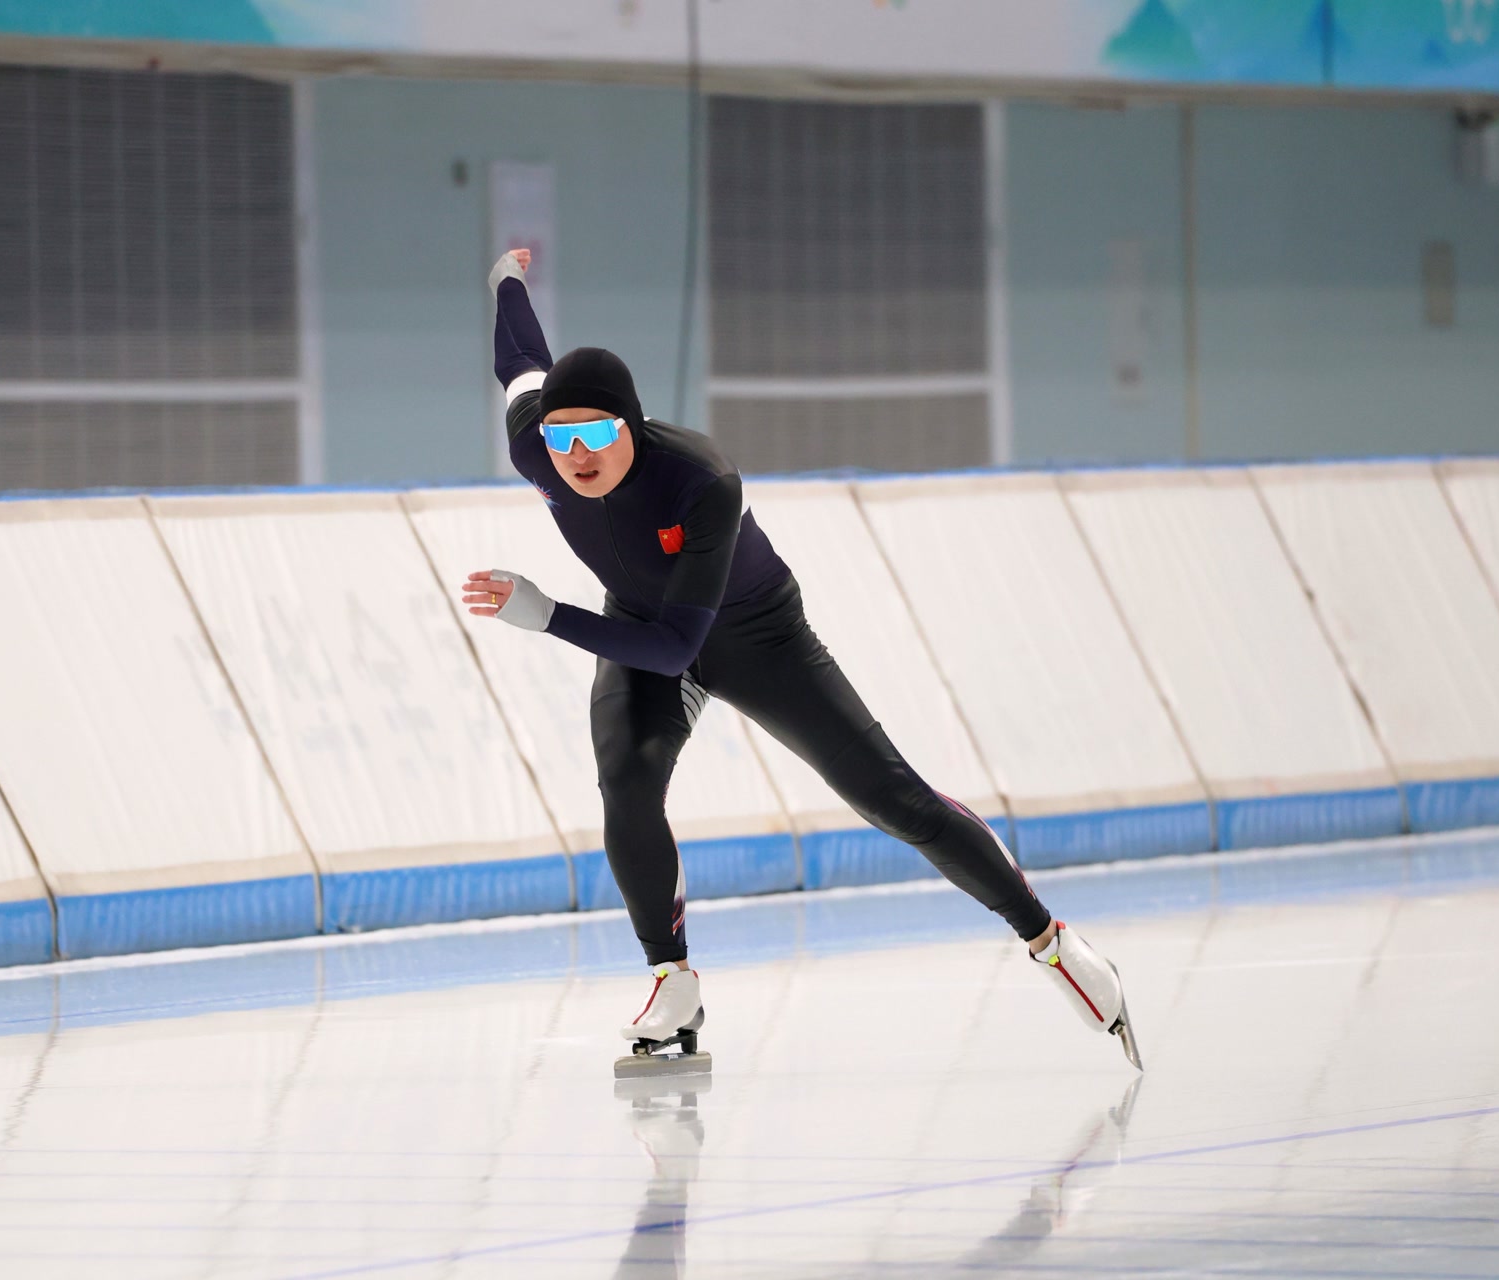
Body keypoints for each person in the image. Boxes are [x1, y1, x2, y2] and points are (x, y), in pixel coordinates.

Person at [462, 249, 1141, 1073]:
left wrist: (548, 616)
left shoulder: (702, 481)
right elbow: (519, 364)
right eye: (562, 434)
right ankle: (673, 981)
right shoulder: (535, 446)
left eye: (598, 432)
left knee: (895, 800)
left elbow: (679, 649)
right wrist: (506, 280)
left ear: (631, 427)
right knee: (627, 786)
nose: (577, 453)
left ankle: (1052, 943)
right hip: (639, 622)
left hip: (756, 636)